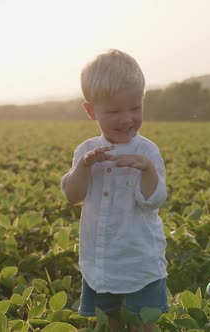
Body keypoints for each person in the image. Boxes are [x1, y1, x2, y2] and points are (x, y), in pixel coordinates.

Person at [61, 49, 168, 331]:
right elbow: (73, 195)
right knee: (108, 321)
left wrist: (147, 170)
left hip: (139, 260)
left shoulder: (146, 151)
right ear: (90, 111)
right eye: (113, 111)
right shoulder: (85, 151)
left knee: (144, 324)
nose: (126, 119)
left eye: (135, 108)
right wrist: (83, 167)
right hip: (100, 262)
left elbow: (153, 201)